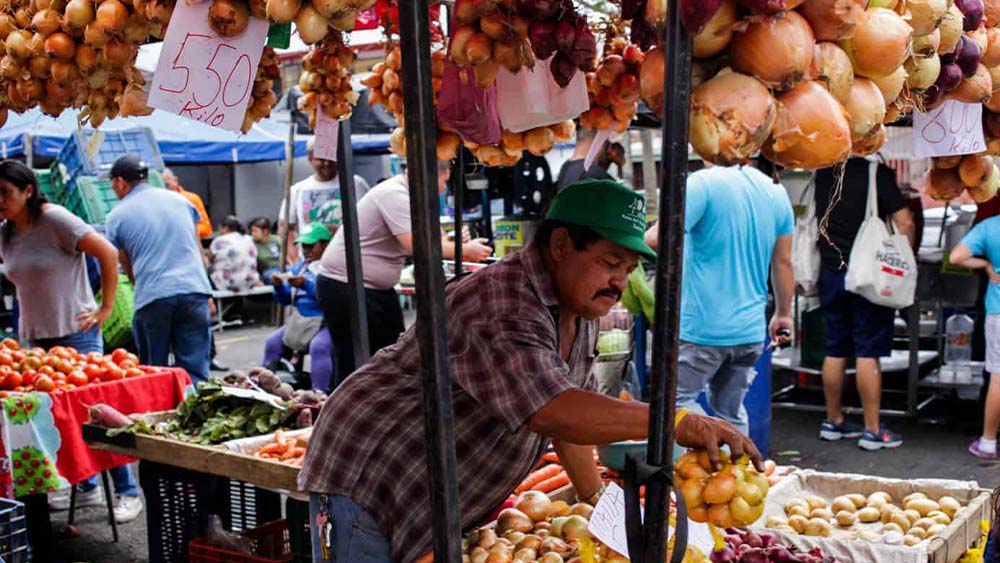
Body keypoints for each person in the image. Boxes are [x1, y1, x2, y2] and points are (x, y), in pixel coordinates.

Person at [299, 179, 763, 563]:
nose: (620, 282)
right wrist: (676, 421)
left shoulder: (576, 311)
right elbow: (553, 411)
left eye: (629, 268)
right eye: (609, 263)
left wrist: (595, 502)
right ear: (560, 246)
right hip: (372, 474)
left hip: (430, 484)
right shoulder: (501, 301)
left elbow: (570, 424)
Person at [0, 161, 143, 523]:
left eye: (6, 192)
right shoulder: (6, 234)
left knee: (96, 416)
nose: (0, 200)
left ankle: (128, 491)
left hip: (75, 332)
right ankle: (86, 486)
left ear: (28, 190)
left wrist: (105, 308)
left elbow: (108, 253)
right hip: (33, 340)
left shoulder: (55, 220)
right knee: (56, 421)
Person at [643, 165, 795, 435]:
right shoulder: (775, 190)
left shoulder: (701, 184)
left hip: (702, 330)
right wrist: (783, 314)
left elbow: (657, 238)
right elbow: (783, 262)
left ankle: (717, 449)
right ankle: (738, 473)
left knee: (673, 403)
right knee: (730, 412)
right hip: (749, 332)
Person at [315, 160, 493, 385]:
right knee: (356, 362)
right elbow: (419, 246)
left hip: (375, 289)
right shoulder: (394, 194)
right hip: (346, 286)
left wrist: (457, 241)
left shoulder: (416, 198)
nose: (443, 188)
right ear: (428, 175)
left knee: (394, 354)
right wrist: (466, 250)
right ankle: (348, 413)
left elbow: (435, 240)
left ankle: (385, 409)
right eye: (444, 181)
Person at [814, 156, 916, 450]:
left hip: (831, 271)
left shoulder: (824, 172)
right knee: (867, 350)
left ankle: (833, 420)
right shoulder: (876, 173)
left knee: (835, 348)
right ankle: (872, 429)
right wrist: (906, 257)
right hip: (869, 276)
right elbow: (904, 222)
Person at [105, 155, 214, 384]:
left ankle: (163, 416)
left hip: (153, 297)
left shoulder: (116, 216)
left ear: (120, 182)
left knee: (155, 372)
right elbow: (198, 252)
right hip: (194, 292)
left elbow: (127, 266)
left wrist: (142, 288)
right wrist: (207, 292)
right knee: (195, 371)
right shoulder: (181, 201)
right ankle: (195, 413)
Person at [949, 219, 1000, 460]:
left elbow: (955, 257)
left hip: (998, 311)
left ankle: (988, 443)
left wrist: (985, 264)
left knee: (998, 377)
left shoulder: (989, 227)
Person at [263, 222, 334, 391]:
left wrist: (307, 285)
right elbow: (286, 300)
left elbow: (332, 298)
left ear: (325, 245)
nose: (306, 250)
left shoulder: (332, 267)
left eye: (311, 246)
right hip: (300, 321)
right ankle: (269, 388)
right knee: (272, 343)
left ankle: (320, 395)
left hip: (326, 322)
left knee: (319, 347)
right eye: (304, 246)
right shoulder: (299, 268)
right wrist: (279, 286)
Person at [279, 140, 371, 263]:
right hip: (313, 266)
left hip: (350, 263)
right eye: (321, 159)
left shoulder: (355, 184)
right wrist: (295, 260)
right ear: (310, 159)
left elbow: (370, 221)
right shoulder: (298, 190)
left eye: (331, 158)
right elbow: (285, 228)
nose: (327, 163)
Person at [555, 127, 622, 190]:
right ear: (600, 142)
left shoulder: (565, 168)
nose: (609, 150)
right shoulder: (597, 176)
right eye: (608, 144)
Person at [208, 215, 261, 293]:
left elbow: (210, 260)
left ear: (225, 228)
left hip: (228, 284)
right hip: (250, 282)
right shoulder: (248, 239)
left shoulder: (218, 241)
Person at [163, 168, 212, 240]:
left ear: (175, 180)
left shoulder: (192, 199)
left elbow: (206, 227)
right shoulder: (156, 201)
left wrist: (188, 230)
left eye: (167, 185)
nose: (164, 189)